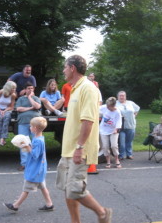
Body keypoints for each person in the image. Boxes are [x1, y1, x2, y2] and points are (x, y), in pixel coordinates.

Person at [56, 55, 112, 223]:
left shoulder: (88, 88)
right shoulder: (75, 88)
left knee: (75, 189)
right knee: (67, 189)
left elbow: (88, 120)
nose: (63, 70)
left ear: (72, 68)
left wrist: (79, 148)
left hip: (80, 149)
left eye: (65, 67)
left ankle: (102, 213)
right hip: (68, 149)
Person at [3, 117, 54, 212]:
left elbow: (35, 155)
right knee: (43, 187)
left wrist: (27, 146)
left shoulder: (38, 141)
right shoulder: (39, 138)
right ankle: (49, 204)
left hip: (35, 169)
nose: (30, 127)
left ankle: (16, 205)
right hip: (39, 169)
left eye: (31, 126)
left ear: (35, 128)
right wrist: (29, 144)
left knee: (26, 188)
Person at [15, 82, 41, 171]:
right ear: (25, 90)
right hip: (23, 122)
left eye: (32, 88)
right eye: (28, 88)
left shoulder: (36, 98)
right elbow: (18, 109)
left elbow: (37, 106)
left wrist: (30, 97)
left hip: (35, 123)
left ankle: (35, 162)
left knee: (36, 143)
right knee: (23, 143)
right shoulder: (21, 99)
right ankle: (24, 163)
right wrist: (30, 108)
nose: (30, 90)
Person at [116, 91, 140, 160]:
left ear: (125, 96)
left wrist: (133, 116)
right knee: (122, 142)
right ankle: (121, 155)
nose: (122, 97)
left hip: (131, 125)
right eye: (120, 95)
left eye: (123, 95)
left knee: (129, 141)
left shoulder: (130, 103)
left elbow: (137, 109)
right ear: (118, 96)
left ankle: (129, 154)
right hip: (121, 126)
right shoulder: (115, 104)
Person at [100, 97, 122, 168]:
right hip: (104, 129)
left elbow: (119, 122)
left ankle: (117, 160)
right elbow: (95, 109)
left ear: (113, 106)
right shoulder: (104, 107)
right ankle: (108, 161)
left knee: (114, 145)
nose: (107, 108)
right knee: (105, 146)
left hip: (113, 130)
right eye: (107, 106)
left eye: (109, 106)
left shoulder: (117, 112)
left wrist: (116, 129)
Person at [0, 81, 17, 146]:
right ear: (8, 88)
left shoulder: (13, 95)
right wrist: (0, 110)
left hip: (8, 109)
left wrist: (5, 111)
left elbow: (12, 106)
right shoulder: (0, 92)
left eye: (15, 88)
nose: (14, 90)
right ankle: (2, 137)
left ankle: (2, 138)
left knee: (6, 118)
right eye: (13, 88)